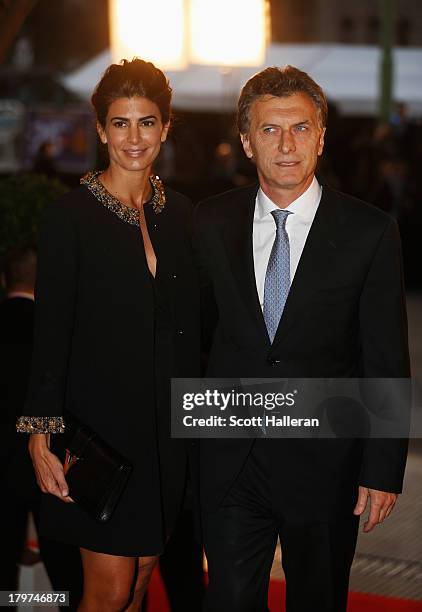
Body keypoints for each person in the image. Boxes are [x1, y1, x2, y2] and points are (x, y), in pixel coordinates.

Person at [193, 66, 410, 612]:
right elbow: (192, 341)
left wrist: (382, 470)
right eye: (269, 130)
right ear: (246, 141)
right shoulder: (209, 223)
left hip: (325, 465)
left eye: (300, 128)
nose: (286, 144)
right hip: (228, 461)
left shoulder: (370, 231)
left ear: (321, 135)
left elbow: (384, 357)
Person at [17, 58, 199, 611]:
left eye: (146, 122)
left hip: (165, 433)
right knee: (110, 587)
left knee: (143, 576)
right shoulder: (68, 218)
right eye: (120, 123)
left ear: (166, 127)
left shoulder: (184, 216)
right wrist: (40, 431)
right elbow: (51, 332)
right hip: (98, 432)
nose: (134, 137)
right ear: (100, 130)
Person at [0, 247, 83, 610]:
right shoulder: (60, 330)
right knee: (69, 576)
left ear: (6, 281)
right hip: (52, 466)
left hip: (1, 470)